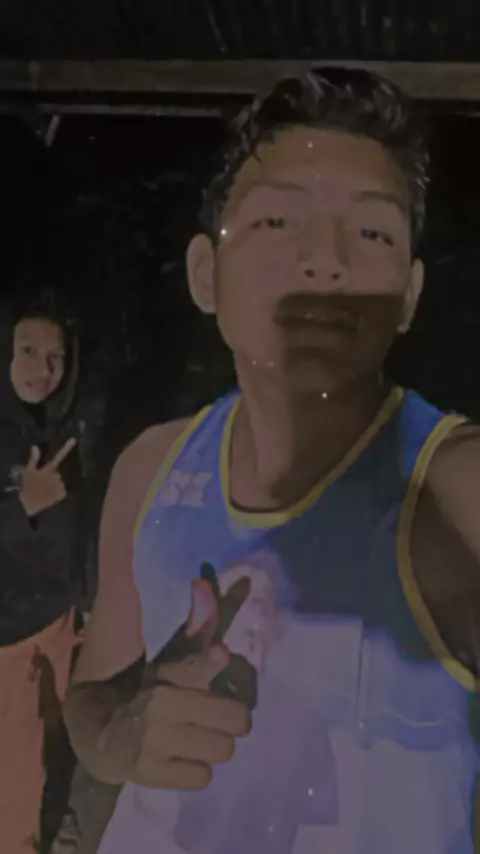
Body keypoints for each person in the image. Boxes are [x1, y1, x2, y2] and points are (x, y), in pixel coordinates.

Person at [65, 67, 480, 853]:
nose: (325, 259)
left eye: (372, 232)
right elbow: (92, 692)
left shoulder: (454, 490)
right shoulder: (151, 467)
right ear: (205, 275)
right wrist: (124, 732)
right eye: (277, 221)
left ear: (409, 295)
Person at [0, 300, 86, 853]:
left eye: (56, 356)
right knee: (15, 757)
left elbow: (78, 519)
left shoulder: (61, 430)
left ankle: (52, 814)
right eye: (28, 351)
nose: (43, 369)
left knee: (57, 732)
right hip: (7, 632)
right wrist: (20, 507)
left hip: (58, 616)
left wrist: (87, 595)